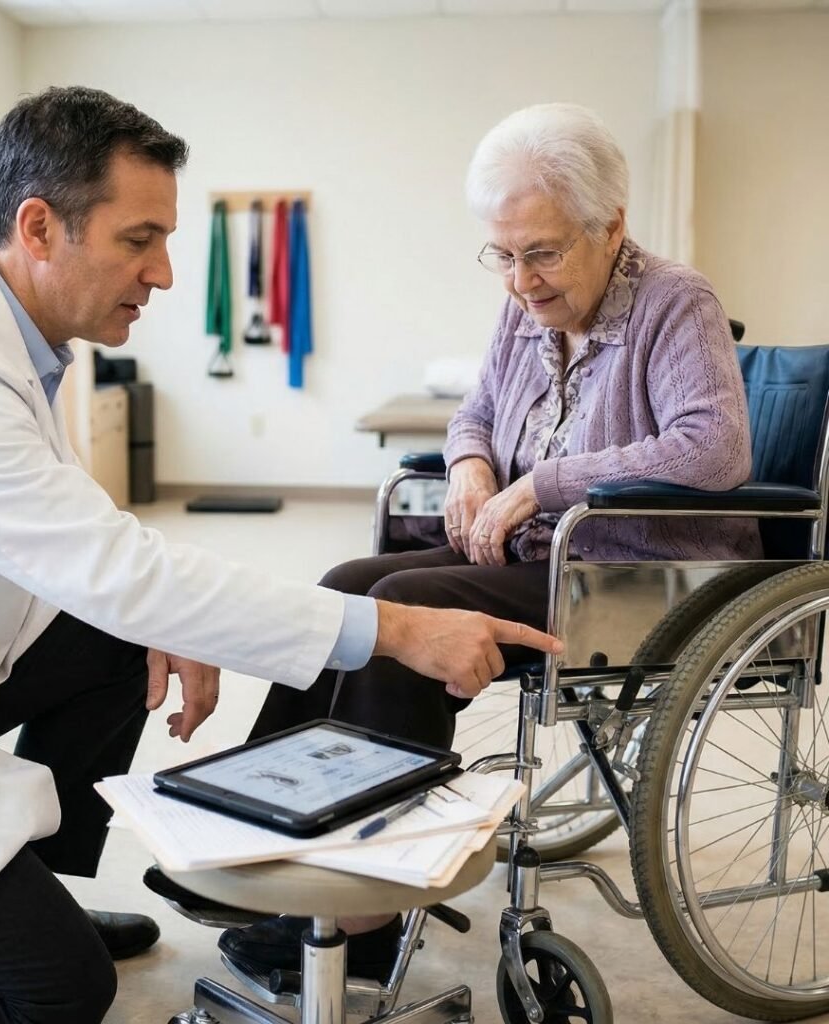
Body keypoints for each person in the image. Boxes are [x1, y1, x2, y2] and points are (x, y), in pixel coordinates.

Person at [0, 87, 562, 1024]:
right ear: (39, 227)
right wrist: (398, 630)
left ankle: (36, 891)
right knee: (57, 994)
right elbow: (110, 566)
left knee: (122, 639)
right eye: (139, 239)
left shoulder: (2, 337)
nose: (162, 272)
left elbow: (75, 539)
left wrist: (159, 617)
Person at [217, 101, 762, 981]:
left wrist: (538, 483)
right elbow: (474, 412)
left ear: (611, 225)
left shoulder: (674, 301)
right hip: (538, 556)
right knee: (344, 585)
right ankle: (263, 825)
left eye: (541, 252)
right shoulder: (525, 304)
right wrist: (472, 466)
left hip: (629, 572)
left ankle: (371, 912)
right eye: (502, 254)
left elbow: (715, 447)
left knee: (402, 610)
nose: (520, 280)